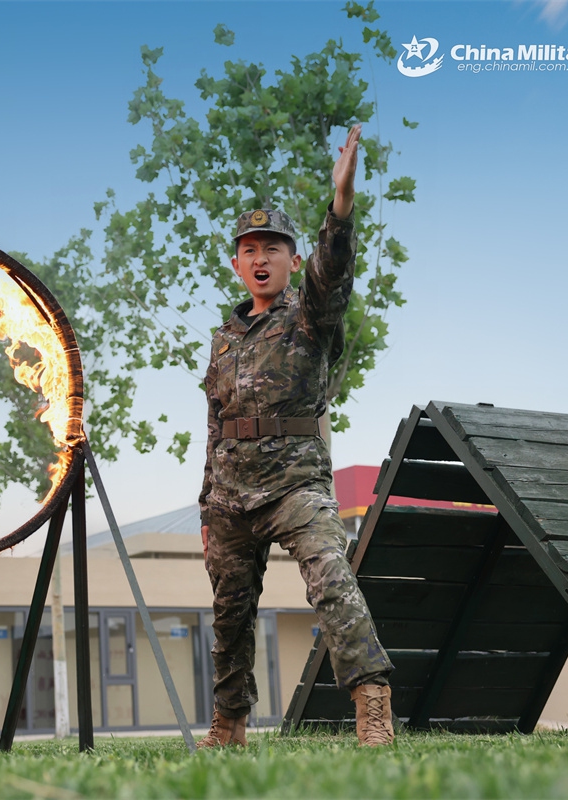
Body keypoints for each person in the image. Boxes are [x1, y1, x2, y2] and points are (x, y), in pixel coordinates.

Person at [196, 124, 395, 748]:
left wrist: (340, 205)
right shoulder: (224, 338)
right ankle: (229, 725)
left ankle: (372, 702)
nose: (260, 259)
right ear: (235, 262)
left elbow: (333, 272)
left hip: (294, 485)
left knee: (331, 579)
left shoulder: (310, 314)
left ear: (291, 259)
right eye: (249, 250)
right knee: (229, 615)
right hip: (229, 494)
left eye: (273, 249)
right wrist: (206, 502)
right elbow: (215, 424)